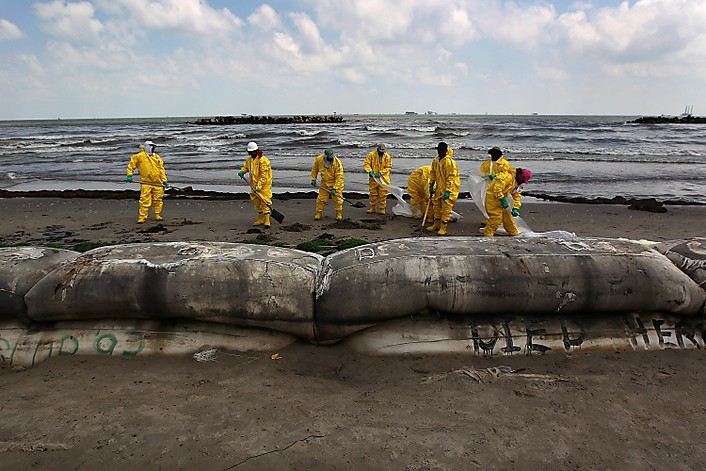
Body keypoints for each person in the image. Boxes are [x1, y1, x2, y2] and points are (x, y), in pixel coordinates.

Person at [125, 140, 168, 223]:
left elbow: (161, 170)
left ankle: (157, 214)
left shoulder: (157, 157)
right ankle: (142, 217)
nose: (153, 149)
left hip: (157, 182)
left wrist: (164, 180)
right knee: (144, 200)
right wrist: (129, 175)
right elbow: (131, 165)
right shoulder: (139, 156)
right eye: (152, 147)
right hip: (146, 182)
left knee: (158, 199)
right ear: (147, 147)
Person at [484, 167, 533, 237]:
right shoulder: (507, 177)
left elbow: (516, 196)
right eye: (523, 180)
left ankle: (514, 233)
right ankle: (488, 234)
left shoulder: (517, 183)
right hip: (493, 199)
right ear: (520, 176)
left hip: (503, 199)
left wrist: (515, 208)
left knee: (508, 219)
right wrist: (503, 200)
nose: (522, 182)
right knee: (496, 219)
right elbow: (497, 189)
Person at [427, 142, 460, 235]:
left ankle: (443, 228)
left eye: (442, 151)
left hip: (450, 188)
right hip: (439, 187)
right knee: (436, 206)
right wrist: (431, 184)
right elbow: (433, 172)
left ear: (446, 151)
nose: (440, 152)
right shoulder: (436, 160)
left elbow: (451, 178)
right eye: (439, 150)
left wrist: (448, 191)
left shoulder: (450, 163)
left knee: (446, 208)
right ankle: (436, 224)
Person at [238, 141, 273, 228]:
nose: (251, 153)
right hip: (254, 184)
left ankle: (267, 220)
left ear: (256, 151)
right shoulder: (249, 160)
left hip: (264, 185)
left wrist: (259, 187)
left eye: (252, 152)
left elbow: (264, 176)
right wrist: (243, 171)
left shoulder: (263, 161)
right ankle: (261, 218)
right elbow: (246, 167)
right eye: (249, 152)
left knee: (265, 201)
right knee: (256, 201)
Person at [310, 148, 345, 221]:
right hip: (324, 183)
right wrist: (313, 179)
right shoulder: (319, 159)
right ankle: (318, 213)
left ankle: (338, 214)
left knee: (338, 200)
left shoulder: (337, 163)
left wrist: (335, 188)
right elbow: (315, 169)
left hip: (336, 183)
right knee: (321, 199)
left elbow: (339, 177)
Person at [363, 143, 392, 214]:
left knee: (383, 194)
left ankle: (382, 209)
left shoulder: (387, 156)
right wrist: (369, 171)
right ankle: (373, 208)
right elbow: (367, 164)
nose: (382, 152)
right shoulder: (371, 155)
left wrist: (381, 173)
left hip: (383, 178)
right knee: (373, 193)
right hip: (373, 178)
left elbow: (388, 167)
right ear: (377, 149)